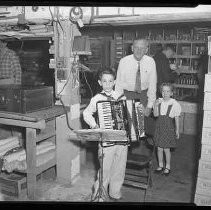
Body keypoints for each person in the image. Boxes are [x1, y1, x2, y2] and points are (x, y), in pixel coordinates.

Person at [83, 69, 127, 201]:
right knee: (105, 169)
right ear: (99, 83)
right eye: (104, 81)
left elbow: (127, 116)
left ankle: (115, 192)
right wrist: (95, 126)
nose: (107, 84)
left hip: (121, 139)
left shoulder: (121, 96)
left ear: (114, 82)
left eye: (110, 81)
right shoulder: (97, 98)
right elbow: (86, 114)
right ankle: (99, 195)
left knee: (119, 168)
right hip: (106, 140)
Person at [115, 38, 157, 141]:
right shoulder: (124, 61)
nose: (139, 51)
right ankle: (125, 150)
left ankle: (139, 149)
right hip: (127, 95)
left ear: (146, 50)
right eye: (136, 48)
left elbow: (152, 85)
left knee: (140, 129)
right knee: (126, 127)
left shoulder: (150, 61)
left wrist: (149, 106)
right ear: (132, 48)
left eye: (142, 48)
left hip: (143, 96)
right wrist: (118, 103)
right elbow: (118, 85)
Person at [153, 82, 181, 176]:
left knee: (166, 149)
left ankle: (168, 166)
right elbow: (156, 115)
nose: (165, 93)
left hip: (168, 128)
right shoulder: (158, 101)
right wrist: (156, 106)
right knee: (159, 148)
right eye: (163, 91)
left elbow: (176, 117)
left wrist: (177, 130)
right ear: (161, 92)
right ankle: (160, 165)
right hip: (159, 127)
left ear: (171, 93)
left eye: (168, 91)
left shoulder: (174, 103)